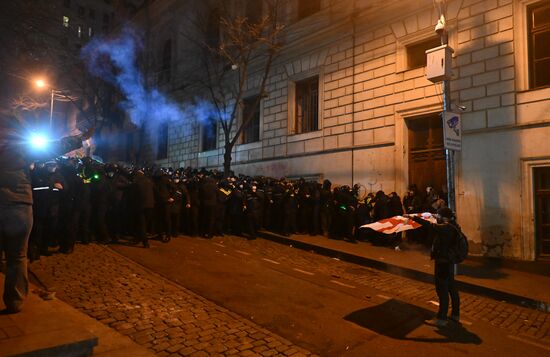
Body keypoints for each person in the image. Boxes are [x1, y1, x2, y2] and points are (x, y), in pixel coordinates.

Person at [0, 110, 92, 313]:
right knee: (17, 256)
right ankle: (14, 301)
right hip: (18, 204)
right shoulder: (20, 145)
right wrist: (79, 139)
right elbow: (54, 147)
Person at [407, 207, 460, 327]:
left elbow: (430, 226)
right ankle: (455, 314)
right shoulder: (453, 225)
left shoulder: (445, 228)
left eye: (439, 216)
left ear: (444, 217)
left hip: (443, 261)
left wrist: (413, 217)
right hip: (449, 261)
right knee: (451, 287)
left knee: (442, 289)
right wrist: (436, 217)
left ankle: (441, 318)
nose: (438, 217)